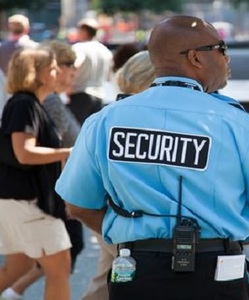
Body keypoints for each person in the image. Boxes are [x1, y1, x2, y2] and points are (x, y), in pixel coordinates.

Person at [56, 16, 249, 300]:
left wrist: (131, 237)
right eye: (221, 48)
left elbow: (78, 205)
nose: (227, 58)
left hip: (136, 269)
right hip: (217, 272)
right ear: (196, 58)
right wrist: (223, 241)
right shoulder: (237, 124)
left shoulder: (104, 121)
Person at [1, 40, 83, 300]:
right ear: (38, 73)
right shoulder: (25, 105)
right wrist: (68, 153)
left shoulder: (29, 104)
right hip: (28, 202)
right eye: (54, 67)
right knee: (60, 268)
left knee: (20, 266)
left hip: (20, 200)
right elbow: (24, 153)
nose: (59, 72)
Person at [81, 50, 155, 300]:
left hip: (112, 220)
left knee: (103, 281)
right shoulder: (138, 120)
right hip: (129, 228)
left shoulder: (106, 117)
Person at [68, 18, 113, 124]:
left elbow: (75, 65)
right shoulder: (105, 51)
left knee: (76, 132)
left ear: (84, 31)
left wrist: (67, 87)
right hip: (99, 95)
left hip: (80, 94)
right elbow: (108, 77)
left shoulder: (79, 48)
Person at [0, 14, 37, 117]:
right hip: (29, 92)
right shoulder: (35, 48)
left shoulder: (2, 48)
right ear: (26, 28)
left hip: (5, 92)